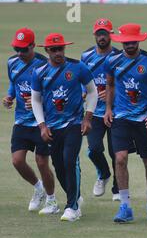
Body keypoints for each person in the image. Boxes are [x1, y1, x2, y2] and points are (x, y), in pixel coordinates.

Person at [103, 23, 147, 223]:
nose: (130, 45)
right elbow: (110, 84)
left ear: (139, 41)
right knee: (120, 158)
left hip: (144, 119)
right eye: (126, 42)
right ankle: (125, 206)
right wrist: (108, 108)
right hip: (121, 118)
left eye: (133, 42)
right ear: (121, 42)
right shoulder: (112, 61)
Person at [31, 33, 98, 222]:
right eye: (54, 50)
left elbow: (92, 92)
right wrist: (42, 126)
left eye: (60, 48)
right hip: (52, 127)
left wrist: (88, 118)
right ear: (47, 51)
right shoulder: (39, 72)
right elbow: (36, 100)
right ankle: (74, 196)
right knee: (59, 166)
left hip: (74, 124)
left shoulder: (78, 67)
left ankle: (72, 208)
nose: (58, 53)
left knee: (70, 160)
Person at [3, 27, 57, 214]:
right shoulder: (12, 63)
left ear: (33, 46)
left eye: (24, 49)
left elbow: (53, 92)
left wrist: (37, 101)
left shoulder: (45, 64)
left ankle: (52, 200)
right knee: (17, 161)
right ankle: (39, 188)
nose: (19, 53)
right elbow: (14, 83)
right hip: (21, 121)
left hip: (42, 121)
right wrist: (10, 97)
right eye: (16, 48)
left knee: (42, 162)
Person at [81, 18, 123, 201]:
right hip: (94, 112)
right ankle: (104, 174)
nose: (102, 37)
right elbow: (83, 79)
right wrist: (84, 93)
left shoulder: (119, 57)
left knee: (117, 153)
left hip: (116, 111)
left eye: (105, 33)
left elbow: (125, 83)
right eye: (99, 33)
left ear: (111, 35)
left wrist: (112, 94)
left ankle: (117, 188)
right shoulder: (86, 57)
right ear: (95, 35)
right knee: (94, 149)